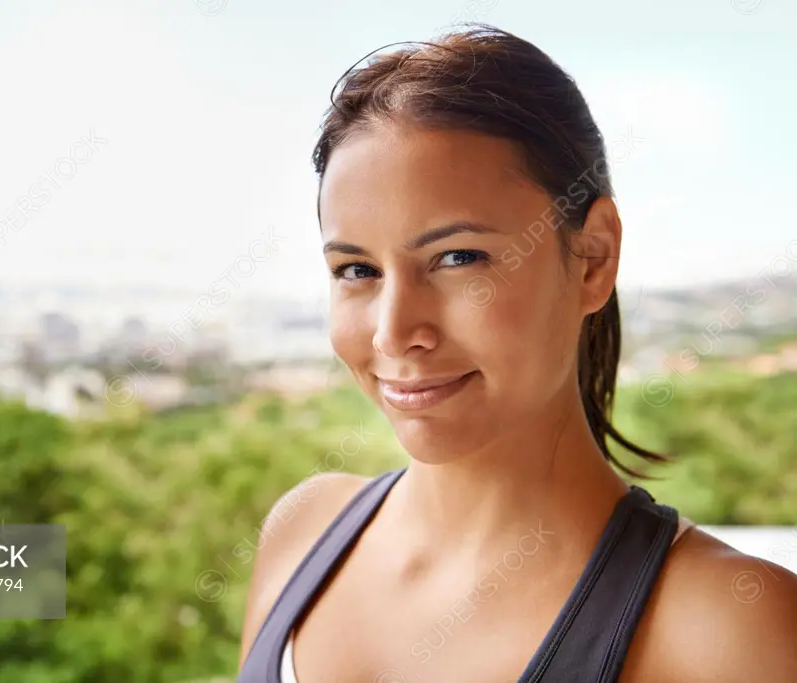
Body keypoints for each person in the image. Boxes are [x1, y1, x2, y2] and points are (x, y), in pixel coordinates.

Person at [236, 23, 797, 683]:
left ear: (592, 258)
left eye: (457, 257)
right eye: (357, 269)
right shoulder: (301, 533)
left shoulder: (730, 630)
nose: (394, 330)